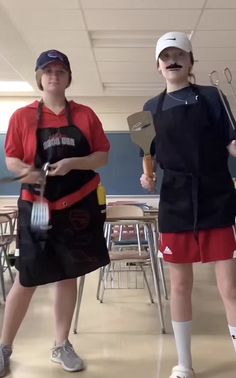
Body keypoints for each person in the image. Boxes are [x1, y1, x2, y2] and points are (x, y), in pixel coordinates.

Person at [0, 49, 110, 376]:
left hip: (78, 205)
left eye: (60, 70)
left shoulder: (86, 115)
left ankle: (61, 345)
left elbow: (101, 157)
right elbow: (12, 160)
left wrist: (73, 162)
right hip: (36, 207)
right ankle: (4, 347)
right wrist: (26, 172)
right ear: (39, 78)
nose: (53, 76)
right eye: (47, 71)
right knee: (28, 275)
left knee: (68, 273)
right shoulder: (21, 117)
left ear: (68, 77)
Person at [140, 31, 236, 378]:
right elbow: (146, 154)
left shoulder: (212, 96)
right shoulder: (150, 109)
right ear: (158, 65)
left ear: (191, 61)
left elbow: (231, 142)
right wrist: (146, 177)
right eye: (166, 56)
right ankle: (184, 363)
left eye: (180, 54)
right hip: (175, 201)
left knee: (230, 287)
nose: (173, 60)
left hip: (216, 195)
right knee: (180, 286)